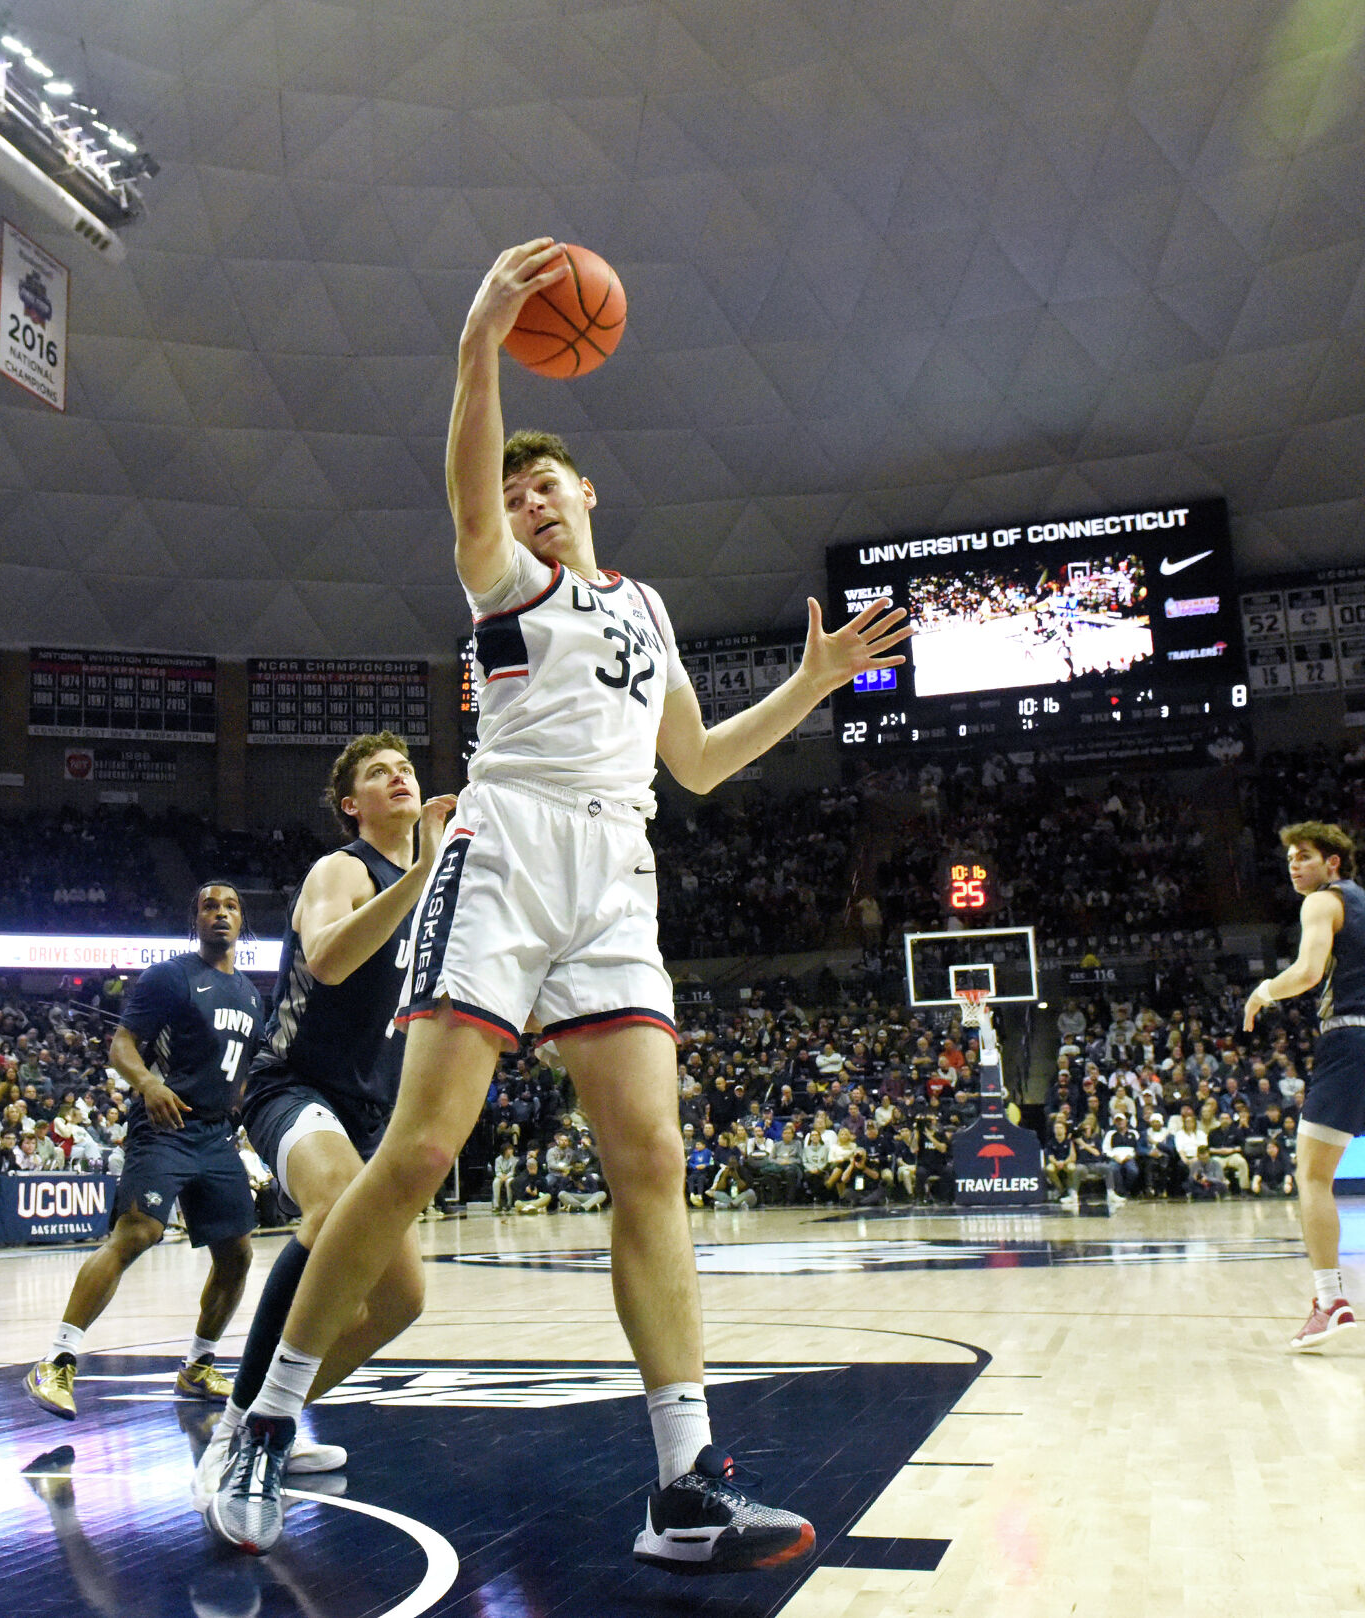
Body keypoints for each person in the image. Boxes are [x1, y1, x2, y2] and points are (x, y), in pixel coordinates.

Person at [210, 237, 907, 1569]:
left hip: (618, 868)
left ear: (590, 492)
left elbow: (694, 760)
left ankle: (685, 1483)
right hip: (508, 849)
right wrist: (480, 339)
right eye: (516, 490)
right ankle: (265, 1415)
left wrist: (812, 689)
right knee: (415, 1157)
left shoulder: (644, 604)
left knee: (649, 1163)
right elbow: (467, 489)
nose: (527, 501)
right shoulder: (510, 592)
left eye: (546, 485)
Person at [193, 734, 452, 1508]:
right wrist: (425, 875)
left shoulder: (432, 888)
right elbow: (333, 958)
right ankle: (240, 1433)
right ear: (353, 806)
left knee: (400, 1299)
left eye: (405, 767)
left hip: (372, 1110)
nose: (399, 776)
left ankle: (274, 1416)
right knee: (335, 1206)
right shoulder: (340, 870)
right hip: (291, 1086)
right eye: (379, 774)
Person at [24, 883, 263, 1421]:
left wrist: (248, 1132)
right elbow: (122, 1045)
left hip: (218, 1134)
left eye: (230, 906)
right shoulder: (170, 977)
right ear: (194, 919)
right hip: (166, 1126)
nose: (220, 913)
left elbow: (241, 1074)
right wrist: (148, 1086)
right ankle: (57, 1359)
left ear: (241, 920)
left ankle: (198, 1365)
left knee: (238, 1255)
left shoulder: (251, 995)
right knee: (138, 1233)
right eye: (208, 906)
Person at [1243, 821, 1363, 1351]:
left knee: (1312, 1177)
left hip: (1351, 1043)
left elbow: (1309, 971)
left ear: (1332, 862)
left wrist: (1263, 992)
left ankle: (1330, 1301)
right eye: (1290, 857)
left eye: (1305, 856)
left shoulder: (1322, 902)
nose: (1294, 865)